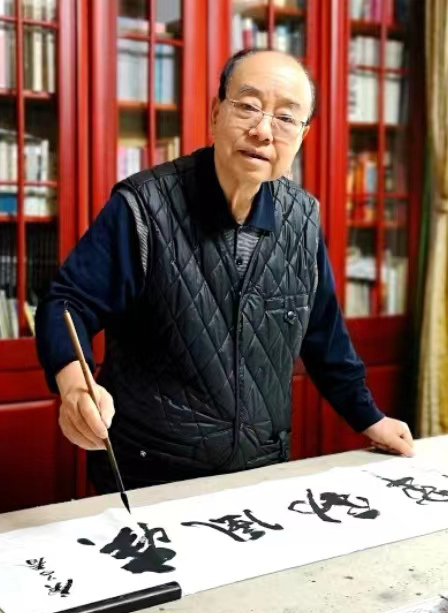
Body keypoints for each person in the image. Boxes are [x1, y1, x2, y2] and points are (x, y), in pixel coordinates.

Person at [36, 49, 414, 494]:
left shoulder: (302, 219)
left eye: (285, 118)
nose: (263, 131)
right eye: (248, 106)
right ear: (216, 114)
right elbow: (67, 302)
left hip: (260, 470)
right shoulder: (144, 208)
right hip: (151, 473)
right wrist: (75, 388)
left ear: (302, 135)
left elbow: (324, 337)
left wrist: (370, 418)